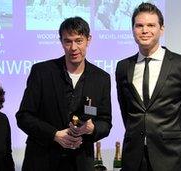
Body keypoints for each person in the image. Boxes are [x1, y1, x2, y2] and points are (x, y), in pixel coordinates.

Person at [115, 2, 181, 171]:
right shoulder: (123, 67)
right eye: (139, 25)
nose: (145, 30)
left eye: (151, 25)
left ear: (161, 29)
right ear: (133, 29)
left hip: (171, 158)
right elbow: (126, 111)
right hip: (133, 159)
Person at [16, 16, 112, 171]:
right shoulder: (42, 72)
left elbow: (105, 123)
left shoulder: (101, 78)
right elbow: (24, 117)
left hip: (80, 163)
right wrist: (54, 134)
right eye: (68, 41)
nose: (73, 47)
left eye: (79, 40)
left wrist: (91, 128)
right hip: (42, 161)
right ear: (61, 42)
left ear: (88, 40)